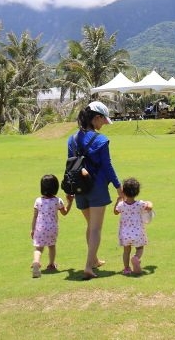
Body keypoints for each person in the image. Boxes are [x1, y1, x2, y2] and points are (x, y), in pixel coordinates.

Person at [68, 101, 124, 280]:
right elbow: (107, 166)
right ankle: (88, 266)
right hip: (97, 188)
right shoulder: (100, 140)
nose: (104, 124)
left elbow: (71, 164)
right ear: (96, 118)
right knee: (95, 229)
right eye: (103, 120)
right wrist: (118, 187)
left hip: (78, 188)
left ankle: (94, 260)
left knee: (90, 225)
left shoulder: (73, 138)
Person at [30, 174, 73, 278]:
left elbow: (35, 216)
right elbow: (64, 213)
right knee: (51, 246)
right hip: (52, 228)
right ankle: (51, 264)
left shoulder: (38, 201)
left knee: (38, 248)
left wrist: (32, 229)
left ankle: (36, 262)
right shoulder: (57, 201)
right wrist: (70, 202)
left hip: (39, 228)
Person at [113, 177, 154, 275]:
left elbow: (115, 212)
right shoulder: (140, 204)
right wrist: (149, 202)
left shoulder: (121, 204)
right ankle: (136, 258)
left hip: (125, 233)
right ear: (137, 192)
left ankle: (126, 268)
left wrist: (118, 201)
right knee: (140, 248)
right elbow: (150, 207)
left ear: (123, 191)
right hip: (138, 232)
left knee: (126, 251)